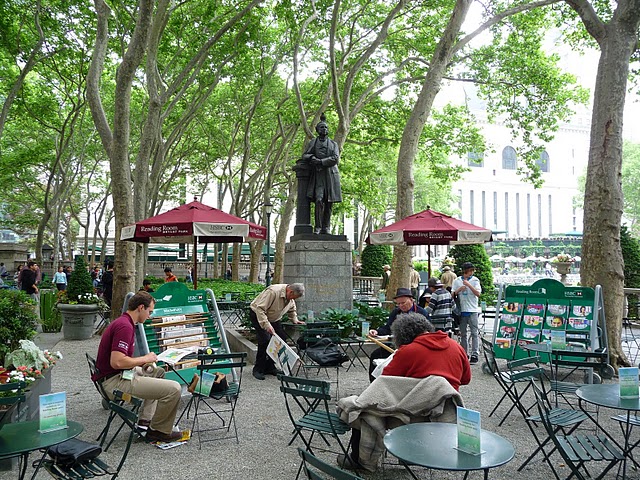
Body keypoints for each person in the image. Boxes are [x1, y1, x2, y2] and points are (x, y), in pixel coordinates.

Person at [337, 313, 470, 471]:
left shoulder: (409, 351)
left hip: (415, 413)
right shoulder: (456, 346)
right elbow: (465, 379)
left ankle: (357, 459)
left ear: (403, 335)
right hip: (446, 413)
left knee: (364, 409)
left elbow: (385, 381)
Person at [92, 291, 184, 443]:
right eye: (149, 311)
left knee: (157, 372)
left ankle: (145, 422)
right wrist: (145, 358)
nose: (150, 316)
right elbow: (118, 362)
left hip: (113, 376)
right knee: (174, 389)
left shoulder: (124, 322)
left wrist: (143, 362)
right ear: (141, 307)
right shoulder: (125, 327)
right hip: (114, 382)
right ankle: (159, 431)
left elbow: (119, 361)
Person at [367, 287, 428, 381]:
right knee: (375, 355)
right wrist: (377, 331)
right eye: (398, 304)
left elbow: (427, 332)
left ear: (411, 300)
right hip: (396, 345)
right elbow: (388, 328)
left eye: (403, 303)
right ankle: (374, 384)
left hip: (415, 346)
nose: (401, 305)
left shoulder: (421, 312)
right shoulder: (396, 312)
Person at [249, 283, 306, 380]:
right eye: (294, 297)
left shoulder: (290, 298)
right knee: (265, 340)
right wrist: (267, 326)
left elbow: (292, 309)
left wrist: (294, 319)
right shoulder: (273, 292)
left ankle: (270, 366)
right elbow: (260, 309)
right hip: (258, 315)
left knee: (281, 339)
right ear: (290, 291)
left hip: (274, 318)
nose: (294, 300)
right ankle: (258, 369)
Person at [301, 114, 342, 234]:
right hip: (318, 176)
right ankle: (318, 227)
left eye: (326, 127)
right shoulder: (313, 142)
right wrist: (312, 157)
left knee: (329, 202)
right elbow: (305, 155)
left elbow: (335, 158)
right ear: (318, 130)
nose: (324, 129)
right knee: (319, 200)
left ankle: (326, 227)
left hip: (331, 176)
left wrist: (321, 161)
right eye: (322, 127)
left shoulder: (333, 144)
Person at [452, 262, 482, 364]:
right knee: (463, 333)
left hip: (473, 310)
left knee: (474, 333)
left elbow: (478, 293)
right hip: (462, 310)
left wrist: (469, 285)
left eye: (472, 271)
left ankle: (475, 353)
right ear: (465, 271)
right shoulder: (457, 281)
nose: (471, 273)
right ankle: (464, 353)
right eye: (470, 271)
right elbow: (452, 294)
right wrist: (459, 289)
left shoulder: (475, 280)